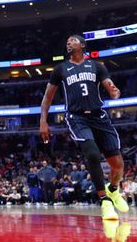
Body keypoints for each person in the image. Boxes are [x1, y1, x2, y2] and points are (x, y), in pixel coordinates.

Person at [39, 35, 128, 221]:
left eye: (72, 40)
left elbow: (109, 85)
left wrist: (114, 91)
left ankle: (113, 190)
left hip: (99, 116)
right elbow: (47, 97)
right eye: (67, 41)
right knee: (93, 154)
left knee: (118, 166)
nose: (68, 42)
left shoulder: (97, 66)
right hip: (77, 117)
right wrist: (43, 121)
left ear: (82, 45)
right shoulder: (60, 69)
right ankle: (104, 201)